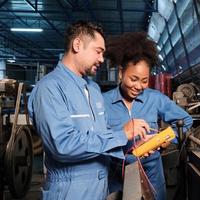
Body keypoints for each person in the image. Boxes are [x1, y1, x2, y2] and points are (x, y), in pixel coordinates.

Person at [28, 21, 151, 200]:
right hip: (69, 190)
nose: (102, 59)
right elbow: (62, 145)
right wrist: (121, 134)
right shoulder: (49, 88)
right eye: (98, 51)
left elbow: (101, 136)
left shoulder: (93, 89)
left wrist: (130, 146)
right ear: (77, 45)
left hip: (100, 186)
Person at [103, 32, 193, 200]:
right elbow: (96, 138)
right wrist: (122, 132)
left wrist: (165, 139)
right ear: (121, 73)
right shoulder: (103, 102)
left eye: (144, 81)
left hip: (151, 169)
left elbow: (186, 120)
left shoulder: (155, 98)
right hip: (116, 171)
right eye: (134, 79)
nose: (139, 86)